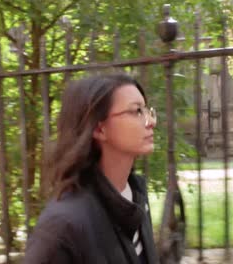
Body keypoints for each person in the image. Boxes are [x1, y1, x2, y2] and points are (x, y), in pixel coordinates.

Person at [23, 73, 158, 264]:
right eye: (136, 111)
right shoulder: (61, 227)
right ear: (99, 129)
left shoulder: (135, 199)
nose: (151, 121)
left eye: (147, 110)